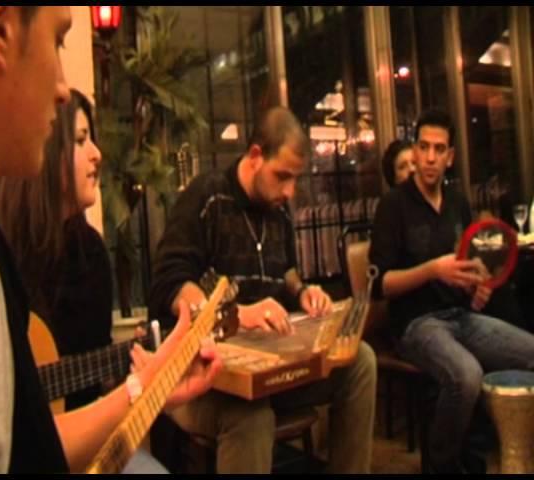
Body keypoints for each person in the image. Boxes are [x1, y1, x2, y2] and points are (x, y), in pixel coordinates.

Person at [0, 6, 221, 474]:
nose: (65, 90)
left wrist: (147, 387)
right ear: (1, 29)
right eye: (60, 40)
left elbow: (30, 450)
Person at [148, 106, 377, 474]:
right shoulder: (206, 197)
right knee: (250, 415)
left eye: (295, 180)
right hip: (199, 377)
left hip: (265, 371)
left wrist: (303, 292)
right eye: (282, 176)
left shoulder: (279, 213)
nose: (289, 191)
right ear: (255, 156)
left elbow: (283, 272)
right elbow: (170, 283)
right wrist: (234, 314)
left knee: (359, 362)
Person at [369, 108, 534, 473]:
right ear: (414, 150)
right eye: (423, 147)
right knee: (466, 375)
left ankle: (509, 452)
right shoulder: (393, 205)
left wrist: (478, 288)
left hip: (462, 316)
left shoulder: (458, 203)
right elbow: (379, 286)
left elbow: (469, 265)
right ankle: (441, 468)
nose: (429, 157)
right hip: (415, 325)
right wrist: (431, 270)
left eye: (438, 149)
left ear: (450, 156)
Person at [0, 89, 114, 411]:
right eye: (81, 139)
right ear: (48, 150)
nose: (97, 153)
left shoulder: (91, 254)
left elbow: (95, 383)